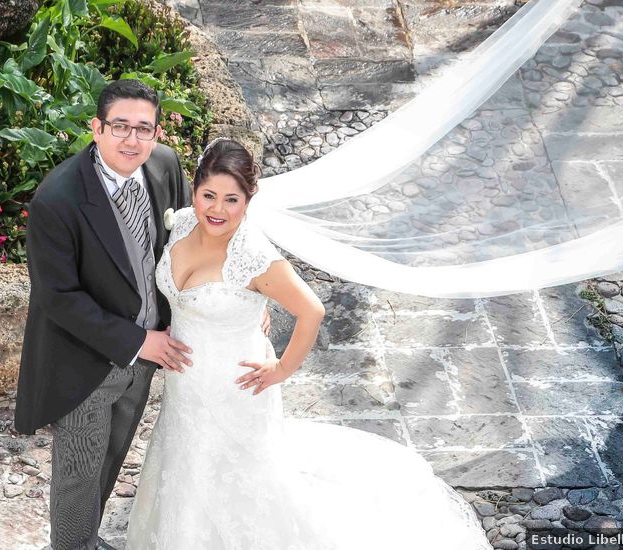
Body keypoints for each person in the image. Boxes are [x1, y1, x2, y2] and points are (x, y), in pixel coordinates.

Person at [125, 138, 491, 549]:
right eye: (209, 195)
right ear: (194, 190)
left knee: (238, 479)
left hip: (235, 388)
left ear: (250, 198)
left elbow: (311, 311)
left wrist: (280, 369)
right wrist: (247, 309)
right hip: (186, 388)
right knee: (186, 468)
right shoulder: (187, 221)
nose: (218, 210)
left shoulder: (254, 256)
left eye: (232, 200)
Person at [13, 79, 193, 550]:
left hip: (145, 358)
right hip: (84, 360)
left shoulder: (165, 166)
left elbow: (192, 238)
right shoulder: (58, 199)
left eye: (143, 129)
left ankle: (87, 540)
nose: (132, 140)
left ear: (156, 133)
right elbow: (58, 297)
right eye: (120, 127)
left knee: (111, 457)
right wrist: (137, 342)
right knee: (78, 473)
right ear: (96, 128)